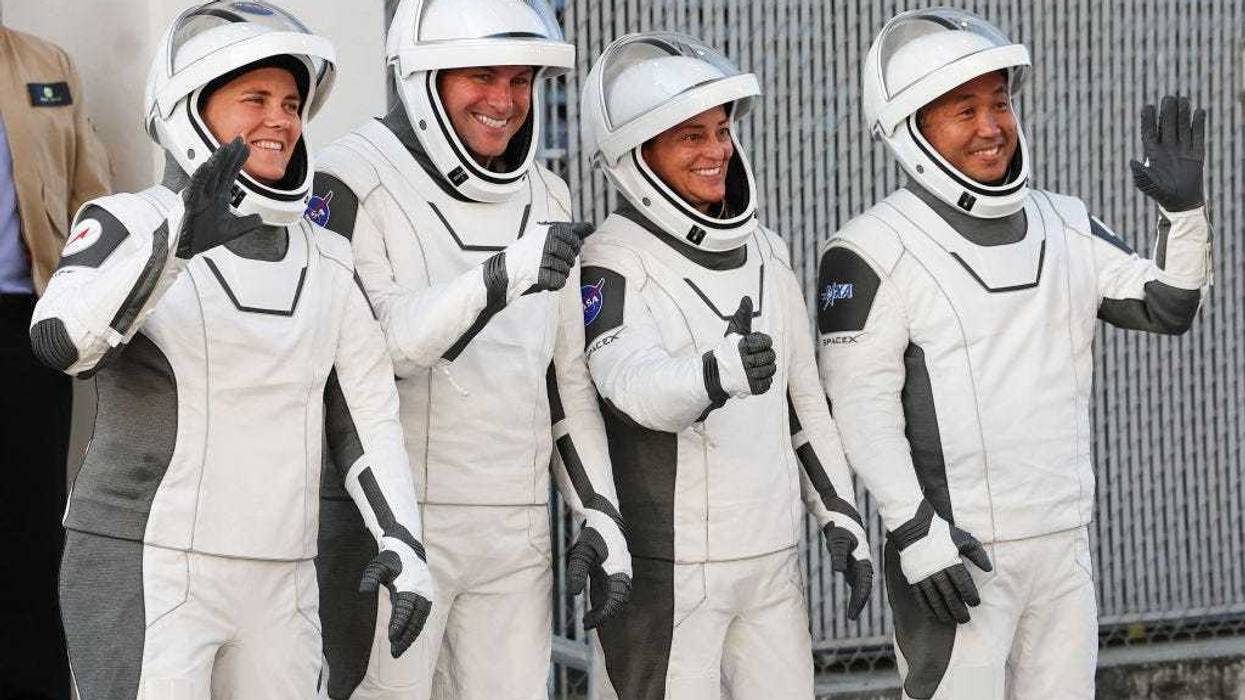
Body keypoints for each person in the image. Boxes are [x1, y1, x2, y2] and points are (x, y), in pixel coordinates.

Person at [29, 2, 433, 697]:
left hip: (283, 575)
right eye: (255, 99)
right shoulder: (126, 221)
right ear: (189, 106)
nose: (280, 119)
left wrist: (402, 537)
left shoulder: (329, 258)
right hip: (148, 563)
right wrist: (173, 247)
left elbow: (366, 414)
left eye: (291, 103)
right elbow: (60, 343)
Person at [818, 8, 1212, 700]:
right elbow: (860, 408)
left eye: (999, 102)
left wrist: (1183, 215)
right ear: (911, 128)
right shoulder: (870, 247)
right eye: (963, 110)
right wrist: (915, 533)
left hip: (1062, 548)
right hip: (954, 556)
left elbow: (1168, 306)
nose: (991, 126)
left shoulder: (1065, 221)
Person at [310, 1, 632, 698]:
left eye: (520, 80)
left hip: (515, 533)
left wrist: (598, 512)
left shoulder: (546, 192)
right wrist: (499, 277)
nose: (504, 101)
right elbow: (378, 351)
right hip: (392, 528)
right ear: (423, 78)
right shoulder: (347, 178)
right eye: (481, 76)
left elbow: (565, 380)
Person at [576, 32, 874, 700]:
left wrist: (839, 514)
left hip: (770, 563)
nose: (716, 152)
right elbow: (628, 383)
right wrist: (714, 374)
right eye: (691, 136)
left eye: (721, 131)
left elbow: (803, 402)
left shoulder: (766, 249)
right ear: (636, 153)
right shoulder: (610, 258)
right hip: (670, 571)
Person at [0, 18, 110, 699]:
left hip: (27, 326)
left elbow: (91, 196)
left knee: (31, 531)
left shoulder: (45, 64)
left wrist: (87, 302)